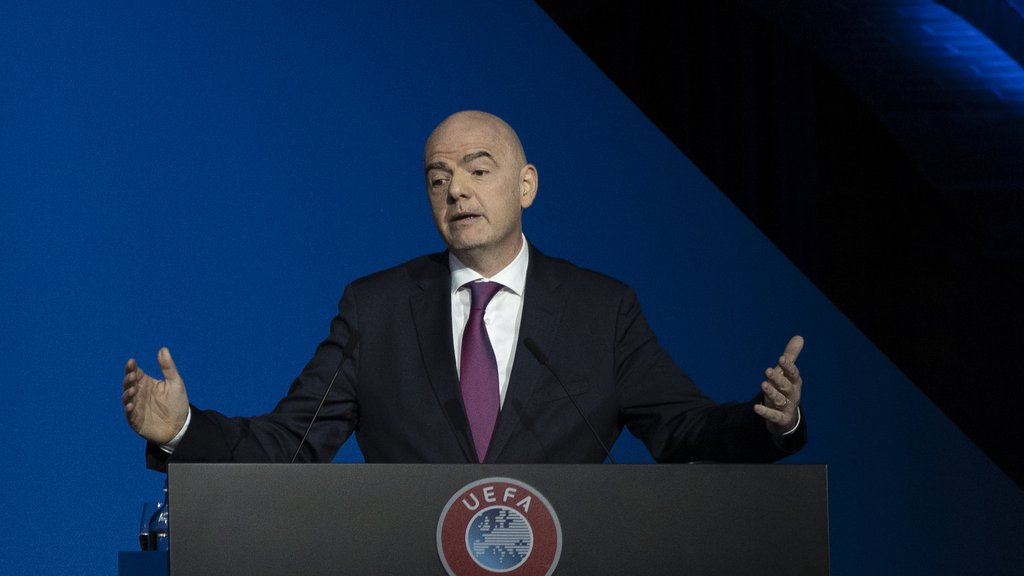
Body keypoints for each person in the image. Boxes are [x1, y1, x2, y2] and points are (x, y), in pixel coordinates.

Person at [122, 110, 805, 468]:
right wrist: (182, 428)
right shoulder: (375, 309)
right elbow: (291, 443)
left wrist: (768, 422)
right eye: (438, 177)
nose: (456, 191)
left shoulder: (602, 309)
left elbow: (681, 430)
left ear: (526, 185)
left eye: (478, 170)